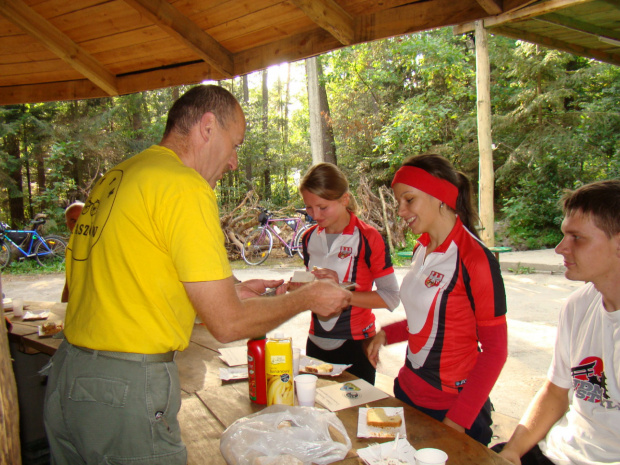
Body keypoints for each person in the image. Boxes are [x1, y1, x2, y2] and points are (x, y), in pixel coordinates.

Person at [43, 85, 352, 465]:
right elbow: (226, 325)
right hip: (124, 389)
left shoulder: (120, 176)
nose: (235, 161)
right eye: (235, 144)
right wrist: (306, 298)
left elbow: (131, 281)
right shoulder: (184, 186)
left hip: (69, 376)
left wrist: (233, 291)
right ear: (207, 128)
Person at [366, 154, 508, 445]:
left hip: (453, 408)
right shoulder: (423, 248)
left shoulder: (475, 259)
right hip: (408, 392)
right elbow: (433, 318)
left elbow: (496, 351)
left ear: (440, 196)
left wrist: (457, 421)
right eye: (398, 202)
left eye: (409, 200)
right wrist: (386, 334)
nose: (401, 211)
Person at [496, 180, 620, 465]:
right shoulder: (578, 306)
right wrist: (513, 451)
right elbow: (555, 392)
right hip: (557, 453)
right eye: (564, 235)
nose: (560, 248)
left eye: (577, 237)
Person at [291, 162, 400, 385]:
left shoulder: (369, 238)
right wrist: (297, 290)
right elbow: (313, 290)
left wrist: (341, 291)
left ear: (344, 200)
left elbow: (391, 297)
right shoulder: (308, 238)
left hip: (356, 346)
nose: (314, 215)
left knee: (355, 415)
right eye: (309, 208)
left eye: (322, 207)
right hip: (315, 342)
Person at [60, 201, 84, 303]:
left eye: (82, 219)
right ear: (67, 224)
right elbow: (68, 284)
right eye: (74, 221)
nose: (78, 225)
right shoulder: (70, 248)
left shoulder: (100, 244)